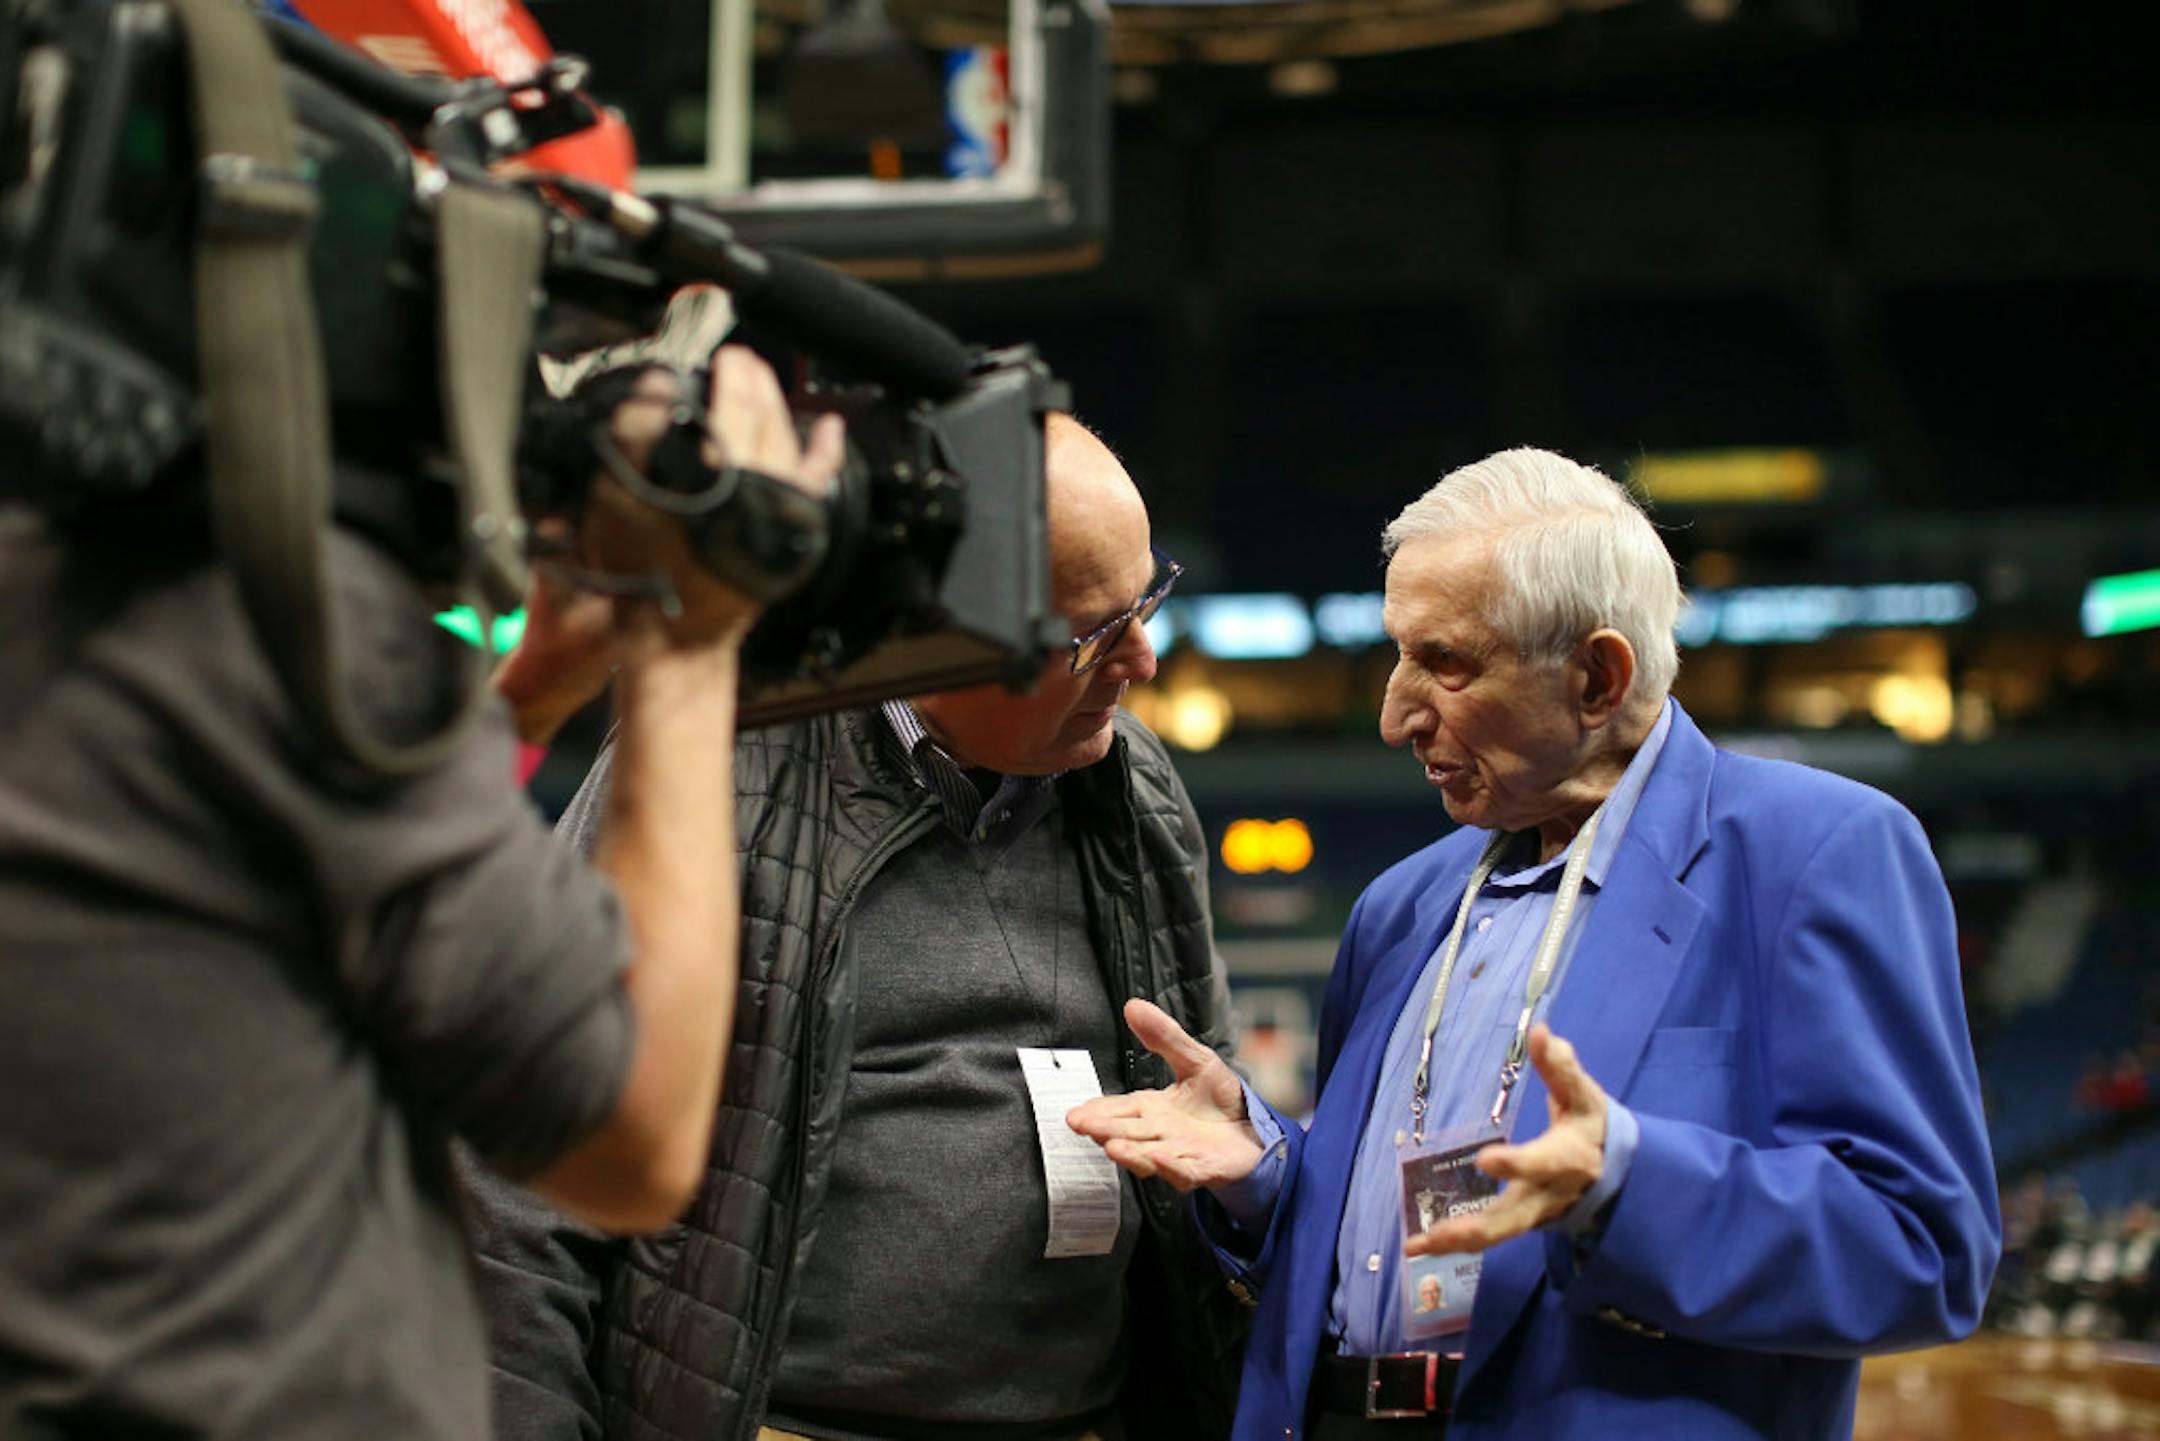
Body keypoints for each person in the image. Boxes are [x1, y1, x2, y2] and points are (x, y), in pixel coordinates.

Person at [1068, 447, 2001, 1440]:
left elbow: (1921, 1248)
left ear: (1598, 676)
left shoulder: (1812, 852)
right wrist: (1269, 1171)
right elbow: (1423, 1222)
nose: (1392, 714)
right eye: (1397, 653)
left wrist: (1625, 1184)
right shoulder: (1400, 903)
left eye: (1447, 662)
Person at [0, 347, 836, 1439]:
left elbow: (281, 860)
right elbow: (631, 1144)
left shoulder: (56, 610)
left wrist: (526, 698)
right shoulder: (275, 634)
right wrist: (684, 643)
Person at [466, 412, 1250, 1441]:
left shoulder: (1131, 785)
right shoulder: (713, 768)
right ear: (936, 634)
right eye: (1092, 634)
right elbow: (522, 1166)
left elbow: (1211, 1102)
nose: (1143, 659)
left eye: (1146, 600)